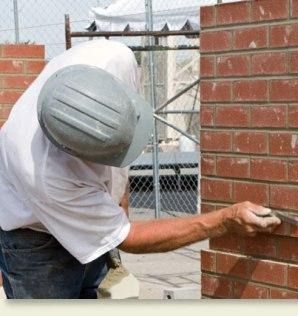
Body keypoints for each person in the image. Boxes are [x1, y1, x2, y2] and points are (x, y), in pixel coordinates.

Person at [0, 39, 280, 299]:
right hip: (37, 242)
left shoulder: (112, 58)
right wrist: (224, 221)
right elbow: (129, 238)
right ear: (73, 153)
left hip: (75, 204)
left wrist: (119, 202)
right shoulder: (46, 177)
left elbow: (116, 160)